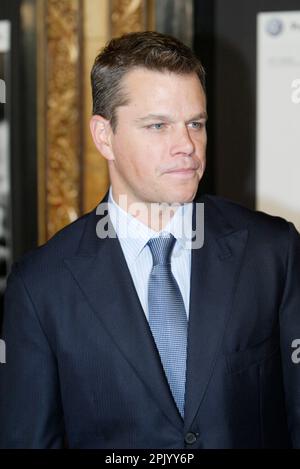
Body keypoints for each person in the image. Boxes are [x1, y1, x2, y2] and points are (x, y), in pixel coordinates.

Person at [0, 31, 299, 449]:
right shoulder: (40, 287)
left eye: (195, 123)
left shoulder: (272, 252)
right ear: (104, 136)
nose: (187, 146)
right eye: (158, 125)